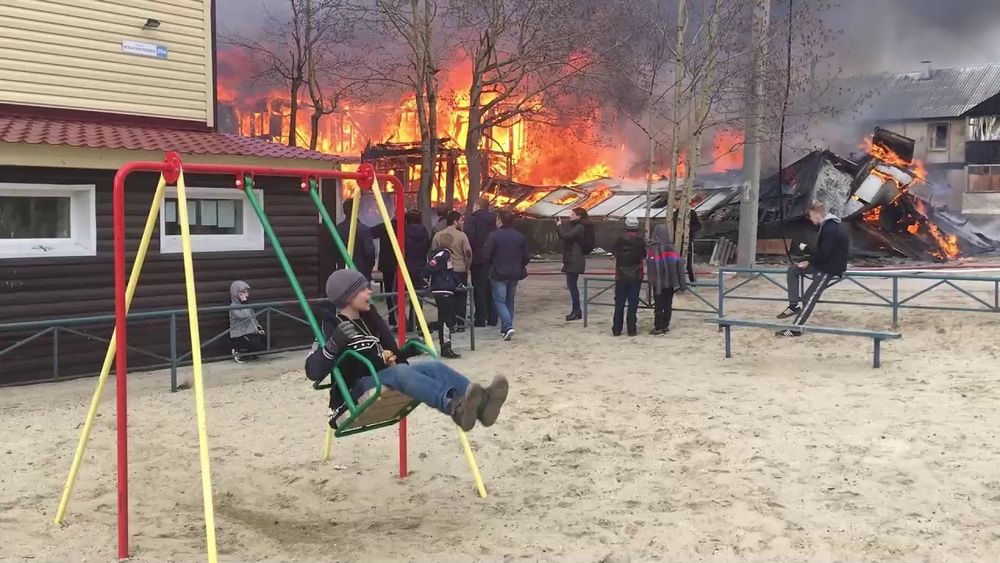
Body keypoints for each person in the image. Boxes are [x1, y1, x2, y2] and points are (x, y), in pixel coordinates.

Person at [305, 269, 509, 432]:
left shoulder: (370, 320)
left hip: (380, 377)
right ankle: (454, 407)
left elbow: (389, 357)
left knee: (434, 367)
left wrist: (405, 353)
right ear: (347, 296)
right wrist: (333, 344)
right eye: (363, 290)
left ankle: (483, 405)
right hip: (352, 392)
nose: (370, 292)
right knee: (401, 373)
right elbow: (312, 370)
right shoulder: (331, 326)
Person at [776, 201, 849, 336]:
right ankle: (794, 305)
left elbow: (825, 255)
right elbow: (823, 253)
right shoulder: (827, 226)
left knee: (809, 297)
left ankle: (796, 328)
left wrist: (807, 253)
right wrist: (809, 261)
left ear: (817, 215)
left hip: (829, 268)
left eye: (810, 216)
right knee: (793, 270)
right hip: (823, 263)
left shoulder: (831, 229)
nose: (810, 219)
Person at [482, 210, 530, 341]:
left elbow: (486, 255)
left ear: (500, 220)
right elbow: (526, 256)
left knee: (499, 300)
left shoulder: (493, 236)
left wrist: (491, 267)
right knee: (510, 300)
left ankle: (507, 326)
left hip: (498, 273)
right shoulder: (520, 236)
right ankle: (506, 328)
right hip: (515, 273)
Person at [431, 211, 473, 331]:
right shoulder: (462, 236)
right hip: (460, 270)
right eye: (460, 220)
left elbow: (432, 253)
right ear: (455, 221)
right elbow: (468, 253)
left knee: (446, 298)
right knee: (461, 297)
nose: (461, 222)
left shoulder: (438, 235)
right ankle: (461, 323)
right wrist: (467, 266)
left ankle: (447, 324)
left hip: (443, 272)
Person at [646, 224, 687, 335]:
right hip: (670, 283)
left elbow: (650, 266)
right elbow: (680, 266)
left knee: (658, 304)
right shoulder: (672, 249)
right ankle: (665, 326)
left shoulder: (653, 250)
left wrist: (651, 281)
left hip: (658, 284)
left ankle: (658, 327)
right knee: (668, 304)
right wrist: (682, 284)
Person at [464, 198, 499, 328]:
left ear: (477, 206)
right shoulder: (495, 220)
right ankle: (493, 317)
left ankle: (480, 318)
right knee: (491, 289)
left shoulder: (472, 220)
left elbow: (469, 238)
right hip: (493, 260)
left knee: (479, 289)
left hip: (478, 260)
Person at [611, 217, 646, 337]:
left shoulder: (619, 239)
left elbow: (614, 252)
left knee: (619, 303)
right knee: (633, 303)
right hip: (636, 274)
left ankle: (617, 329)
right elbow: (643, 255)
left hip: (620, 274)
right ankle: (631, 329)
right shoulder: (641, 240)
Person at [427, 247, 462, 358]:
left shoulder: (439, 254)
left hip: (440, 288)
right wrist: (458, 283)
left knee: (445, 317)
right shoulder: (444, 254)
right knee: (447, 319)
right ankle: (446, 347)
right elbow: (449, 272)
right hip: (444, 289)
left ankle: (444, 344)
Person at [556, 207, 590, 321]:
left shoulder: (580, 227)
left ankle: (576, 311)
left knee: (572, 286)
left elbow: (566, 236)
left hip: (574, 260)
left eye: (573, 214)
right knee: (572, 286)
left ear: (578, 216)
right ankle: (576, 310)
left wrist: (559, 226)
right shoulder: (577, 226)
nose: (570, 215)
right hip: (572, 259)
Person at [335, 198, 376, 281]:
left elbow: (334, 252)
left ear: (344, 211)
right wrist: (368, 272)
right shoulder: (363, 230)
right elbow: (370, 253)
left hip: (342, 273)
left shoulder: (337, 230)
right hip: (361, 273)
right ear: (357, 210)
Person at [371, 218, 400, 327]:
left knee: (389, 292)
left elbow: (371, 233)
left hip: (387, 264)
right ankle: (403, 319)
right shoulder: (406, 227)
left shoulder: (385, 225)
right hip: (402, 264)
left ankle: (392, 317)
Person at [229, 280, 266, 363]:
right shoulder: (233, 306)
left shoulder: (247, 304)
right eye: (243, 292)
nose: (246, 294)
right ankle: (239, 352)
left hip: (251, 332)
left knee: (269, 342)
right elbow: (245, 316)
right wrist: (244, 302)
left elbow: (253, 317)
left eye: (246, 292)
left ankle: (251, 352)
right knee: (258, 346)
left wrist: (259, 328)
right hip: (240, 335)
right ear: (237, 293)